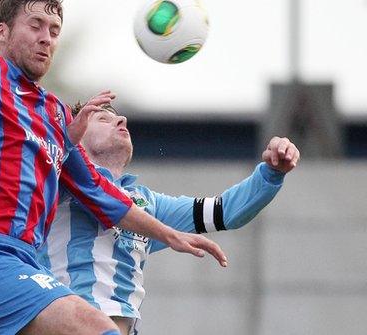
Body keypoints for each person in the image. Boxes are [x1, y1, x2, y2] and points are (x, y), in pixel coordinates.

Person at [0, 0, 223, 334]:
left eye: (54, 30)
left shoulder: (54, 113)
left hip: (25, 263)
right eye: (35, 25)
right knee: (96, 326)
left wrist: (169, 235)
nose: (46, 38)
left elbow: (100, 193)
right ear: (2, 31)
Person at [38, 104, 301, 334]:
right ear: (76, 135)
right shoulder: (58, 179)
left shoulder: (145, 203)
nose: (122, 121)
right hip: (65, 318)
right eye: (103, 119)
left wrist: (271, 173)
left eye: (118, 117)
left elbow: (224, 212)